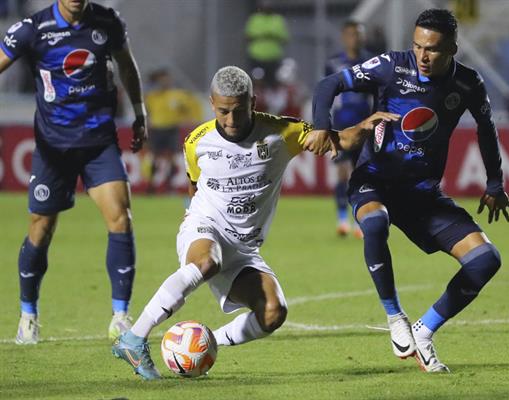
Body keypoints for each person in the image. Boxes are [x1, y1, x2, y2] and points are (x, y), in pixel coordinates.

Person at [307, 9, 509, 372]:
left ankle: (424, 330)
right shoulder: (391, 65)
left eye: (432, 49)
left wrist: (495, 182)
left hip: (422, 194)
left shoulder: (467, 83)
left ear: (452, 47)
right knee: (374, 223)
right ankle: (395, 317)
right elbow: (329, 84)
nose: (422, 55)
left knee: (486, 260)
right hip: (375, 178)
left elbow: (486, 128)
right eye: (417, 45)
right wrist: (322, 126)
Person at [111, 66, 324, 380]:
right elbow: (194, 186)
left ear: (252, 101)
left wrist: (362, 127)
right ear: (212, 103)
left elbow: (334, 138)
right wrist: (196, 219)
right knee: (206, 261)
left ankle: (206, 342)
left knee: (273, 313)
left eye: (238, 110)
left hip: (244, 248)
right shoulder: (197, 141)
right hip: (206, 226)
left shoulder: (279, 133)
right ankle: (134, 338)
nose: (230, 119)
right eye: (223, 111)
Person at [0, 0, 147, 344]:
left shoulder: (107, 22)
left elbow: (127, 66)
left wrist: (139, 111)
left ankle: (121, 316)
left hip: (99, 143)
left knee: (121, 217)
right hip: (53, 149)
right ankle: (28, 315)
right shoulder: (32, 29)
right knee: (41, 228)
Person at [325, 20, 373, 237]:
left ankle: (359, 220)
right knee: (343, 173)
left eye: (359, 34)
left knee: (361, 176)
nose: (356, 38)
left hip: (365, 127)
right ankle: (342, 220)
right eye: (352, 34)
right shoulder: (333, 63)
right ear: (344, 37)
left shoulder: (371, 62)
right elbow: (326, 94)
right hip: (341, 126)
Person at [144, 68, 202, 193]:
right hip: (157, 129)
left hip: (171, 129)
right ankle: (152, 185)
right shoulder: (152, 96)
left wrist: (190, 119)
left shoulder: (177, 95)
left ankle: (169, 186)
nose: (165, 82)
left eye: (166, 80)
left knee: (171, 158)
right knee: (154, 158)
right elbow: (147, 113)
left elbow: (188, 108)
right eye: (162, 80)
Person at [245, 1, 289, 86]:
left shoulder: (278, 20)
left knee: (273, 83)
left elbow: (285, 39)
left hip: (273, 57)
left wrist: (272, 36)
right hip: (256, 56)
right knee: (256, 81)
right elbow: (247, 37)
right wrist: (261, 36)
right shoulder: (255, 19)